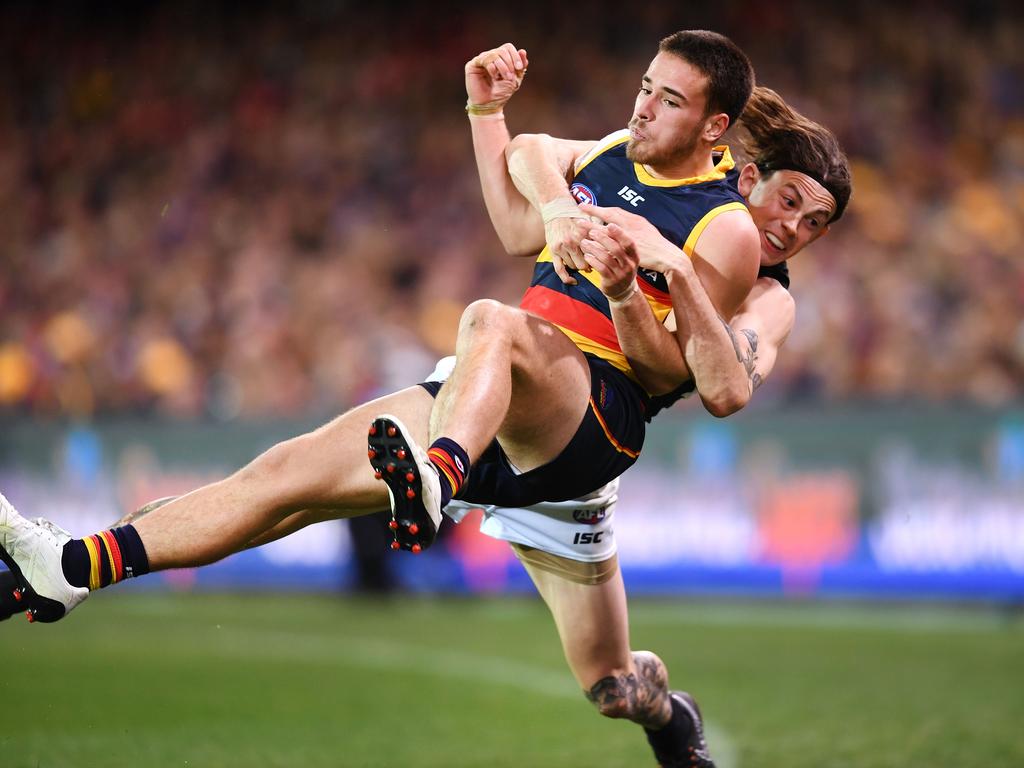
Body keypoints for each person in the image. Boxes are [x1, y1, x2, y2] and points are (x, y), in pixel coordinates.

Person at [0, 33, 850, 768]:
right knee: (285, 475)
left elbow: (702, 382)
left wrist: (639, 278)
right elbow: (529, 182)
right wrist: (501, 135)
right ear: (747, 164)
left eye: (814, 224)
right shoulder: (627, 156)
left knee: (608, 673)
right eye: (790, 202)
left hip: (582, 434)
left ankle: (442, 482)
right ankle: (74, 566)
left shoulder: (740, 257)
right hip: (493, 396)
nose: (793, 230)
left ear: (713, 129)